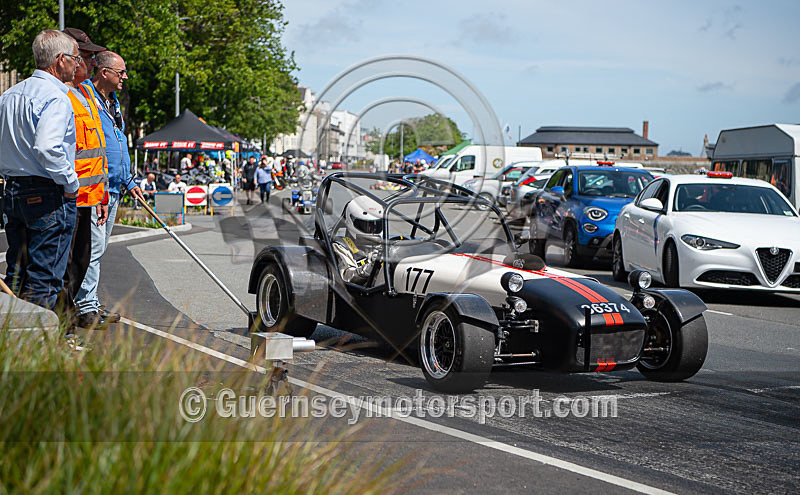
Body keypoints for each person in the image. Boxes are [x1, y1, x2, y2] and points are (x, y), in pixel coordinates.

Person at [0, 30, 80, 310]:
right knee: (43, 279)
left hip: (14, 190)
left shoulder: (10, 95)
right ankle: (37, 347)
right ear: (60, 61)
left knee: (16, 274)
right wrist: (71, 184)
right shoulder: (56, 98)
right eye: (75, 58)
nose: (77, 64)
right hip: (47, 192)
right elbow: (48, 148)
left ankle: (12, 344)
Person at [73, 50, 140, 326]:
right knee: (92, 249)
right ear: (104, 73)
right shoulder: (85, 98)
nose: (124, 77)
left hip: (113, 187)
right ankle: (84, 306)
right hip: (95, 188)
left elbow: (118, 146)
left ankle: (89, 302)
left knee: (97, 250)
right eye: (120, 72)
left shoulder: (112, 103)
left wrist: (129, 180)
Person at [59, 28, 110, 326]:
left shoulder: (86, 92)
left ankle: (69, 319)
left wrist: (101, 193)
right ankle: (62, 327)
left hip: (88, 196)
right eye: (86, 56)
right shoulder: (61, 93)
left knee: (81, 261)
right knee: (64, 267)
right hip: (68, 195)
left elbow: (95, 149)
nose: (90, 62)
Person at [331, 196, 384, 285]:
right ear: (350, 221)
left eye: (375, 226)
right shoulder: (342, 246)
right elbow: (347, 277)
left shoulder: (384, 246)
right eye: (365, 225)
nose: (371, 231)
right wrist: (370, 268)